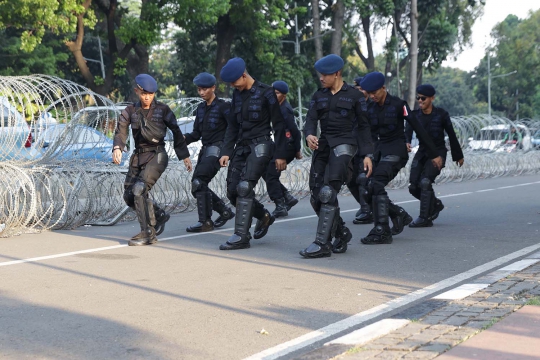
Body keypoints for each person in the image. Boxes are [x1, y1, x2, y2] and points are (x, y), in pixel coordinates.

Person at [300, 55, 373, 258]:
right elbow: (311, 119)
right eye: (320, 74)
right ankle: (341, 233)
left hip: (345, 146)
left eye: (325, 74)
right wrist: (309, 134)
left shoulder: (355, 96)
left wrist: (367, 154)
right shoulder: (318, 96)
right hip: (323, 147)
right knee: (316, 197)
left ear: (337, 74)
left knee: (327, 193)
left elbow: (365, 126)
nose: (321, 78)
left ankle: (322, 244)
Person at [359, 72, 443, 245]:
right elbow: (365, 134)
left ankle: (382, 230)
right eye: (370, 93)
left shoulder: (399, 105)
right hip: (377, 153)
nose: (373, 96)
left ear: (383, 88)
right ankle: (398, 214)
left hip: (396, 152)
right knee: (365, 184)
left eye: (375, 92)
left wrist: (434, 154)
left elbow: (418, 128)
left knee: (375, 184)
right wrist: (365, 154)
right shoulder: (369, 108)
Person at [113, 74, 193, 246]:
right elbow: (121, 131)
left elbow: (176, 131)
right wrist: (117, 147)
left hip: (157, 155)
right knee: (129, 196)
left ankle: (148, 233)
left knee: (139, 189)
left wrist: (184, 155)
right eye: (143, 94)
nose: (147, 97)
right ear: (137, 91)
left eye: (150, 94)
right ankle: (158, 215)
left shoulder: (163, 110)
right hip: (138, 156)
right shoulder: (130, 111)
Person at [218, 57, 288, 250]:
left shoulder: (266, 93)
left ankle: (241, 236)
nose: (233, 86)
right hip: (241, 146)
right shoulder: (237, 95)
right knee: (233, 192)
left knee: (244, 187)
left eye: (234, 82)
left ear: (244, 75)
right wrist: (226, 151)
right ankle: (264, 216)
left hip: (261, 144)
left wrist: (281, 154)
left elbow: (279, 125)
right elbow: (232, 125)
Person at [406, 84, 464, 227]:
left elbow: (451, 135)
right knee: (413, 187)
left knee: (425, 182)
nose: (420, 101)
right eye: (418, 98)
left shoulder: (441, 115)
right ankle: (436, 204)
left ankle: (424, 218)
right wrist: (406, 141)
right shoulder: (415, 115)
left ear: (432, 98)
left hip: (438, 153)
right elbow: (407, 130)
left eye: (423, 98)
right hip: (422, 152)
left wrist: (458, 155)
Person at [184, 72, 235, 233]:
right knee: (197, 186)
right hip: (205, 150)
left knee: (199, 182)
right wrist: (182, 139)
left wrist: (227, 152)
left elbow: (233, 131)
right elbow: (196, 133)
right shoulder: (200, 109)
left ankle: (205, 222)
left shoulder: (224, 107)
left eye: (205, 89)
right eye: (199, 89)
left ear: (213, 88)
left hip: (218, 149)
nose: (201, 93)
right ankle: (224, 211)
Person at [260, 80, 302, 218]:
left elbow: (295, 131)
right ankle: (287, 197)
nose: (273, 95)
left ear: (283, 95)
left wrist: (296, 150)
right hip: (281, 146)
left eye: (276, 93)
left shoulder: (284, 110)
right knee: (266, 172)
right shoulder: (276, 108)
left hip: (286, 148)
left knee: (271, 175)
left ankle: (280, 205)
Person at [347, 76, 376, 225]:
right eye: (358, 89)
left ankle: (367, 210)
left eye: (363, 89)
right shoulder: (351, 105)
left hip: (369, 149)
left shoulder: (373, 106)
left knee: (363, 178)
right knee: (350, 179)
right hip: (353, 148)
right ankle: (367, 206)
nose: (361, 92)